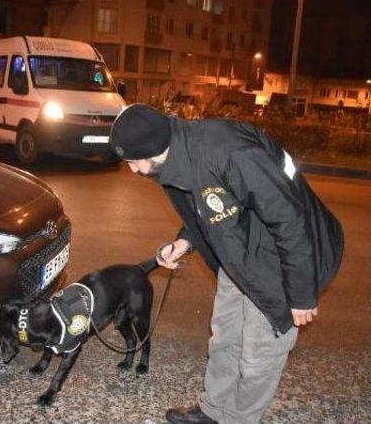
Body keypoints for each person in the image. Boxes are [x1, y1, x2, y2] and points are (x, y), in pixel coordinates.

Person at [109, 104, 344, 424]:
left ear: (153, 149)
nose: (134, 171)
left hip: (282, 260)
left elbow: (290, 220)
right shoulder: (177, 156)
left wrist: (300, 292)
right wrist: (185, 240)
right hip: (238, 251)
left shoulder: (230, 153)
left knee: (258, 358)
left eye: (134, 162)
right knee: (224, 339)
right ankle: (213, 410)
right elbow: (208, 204)